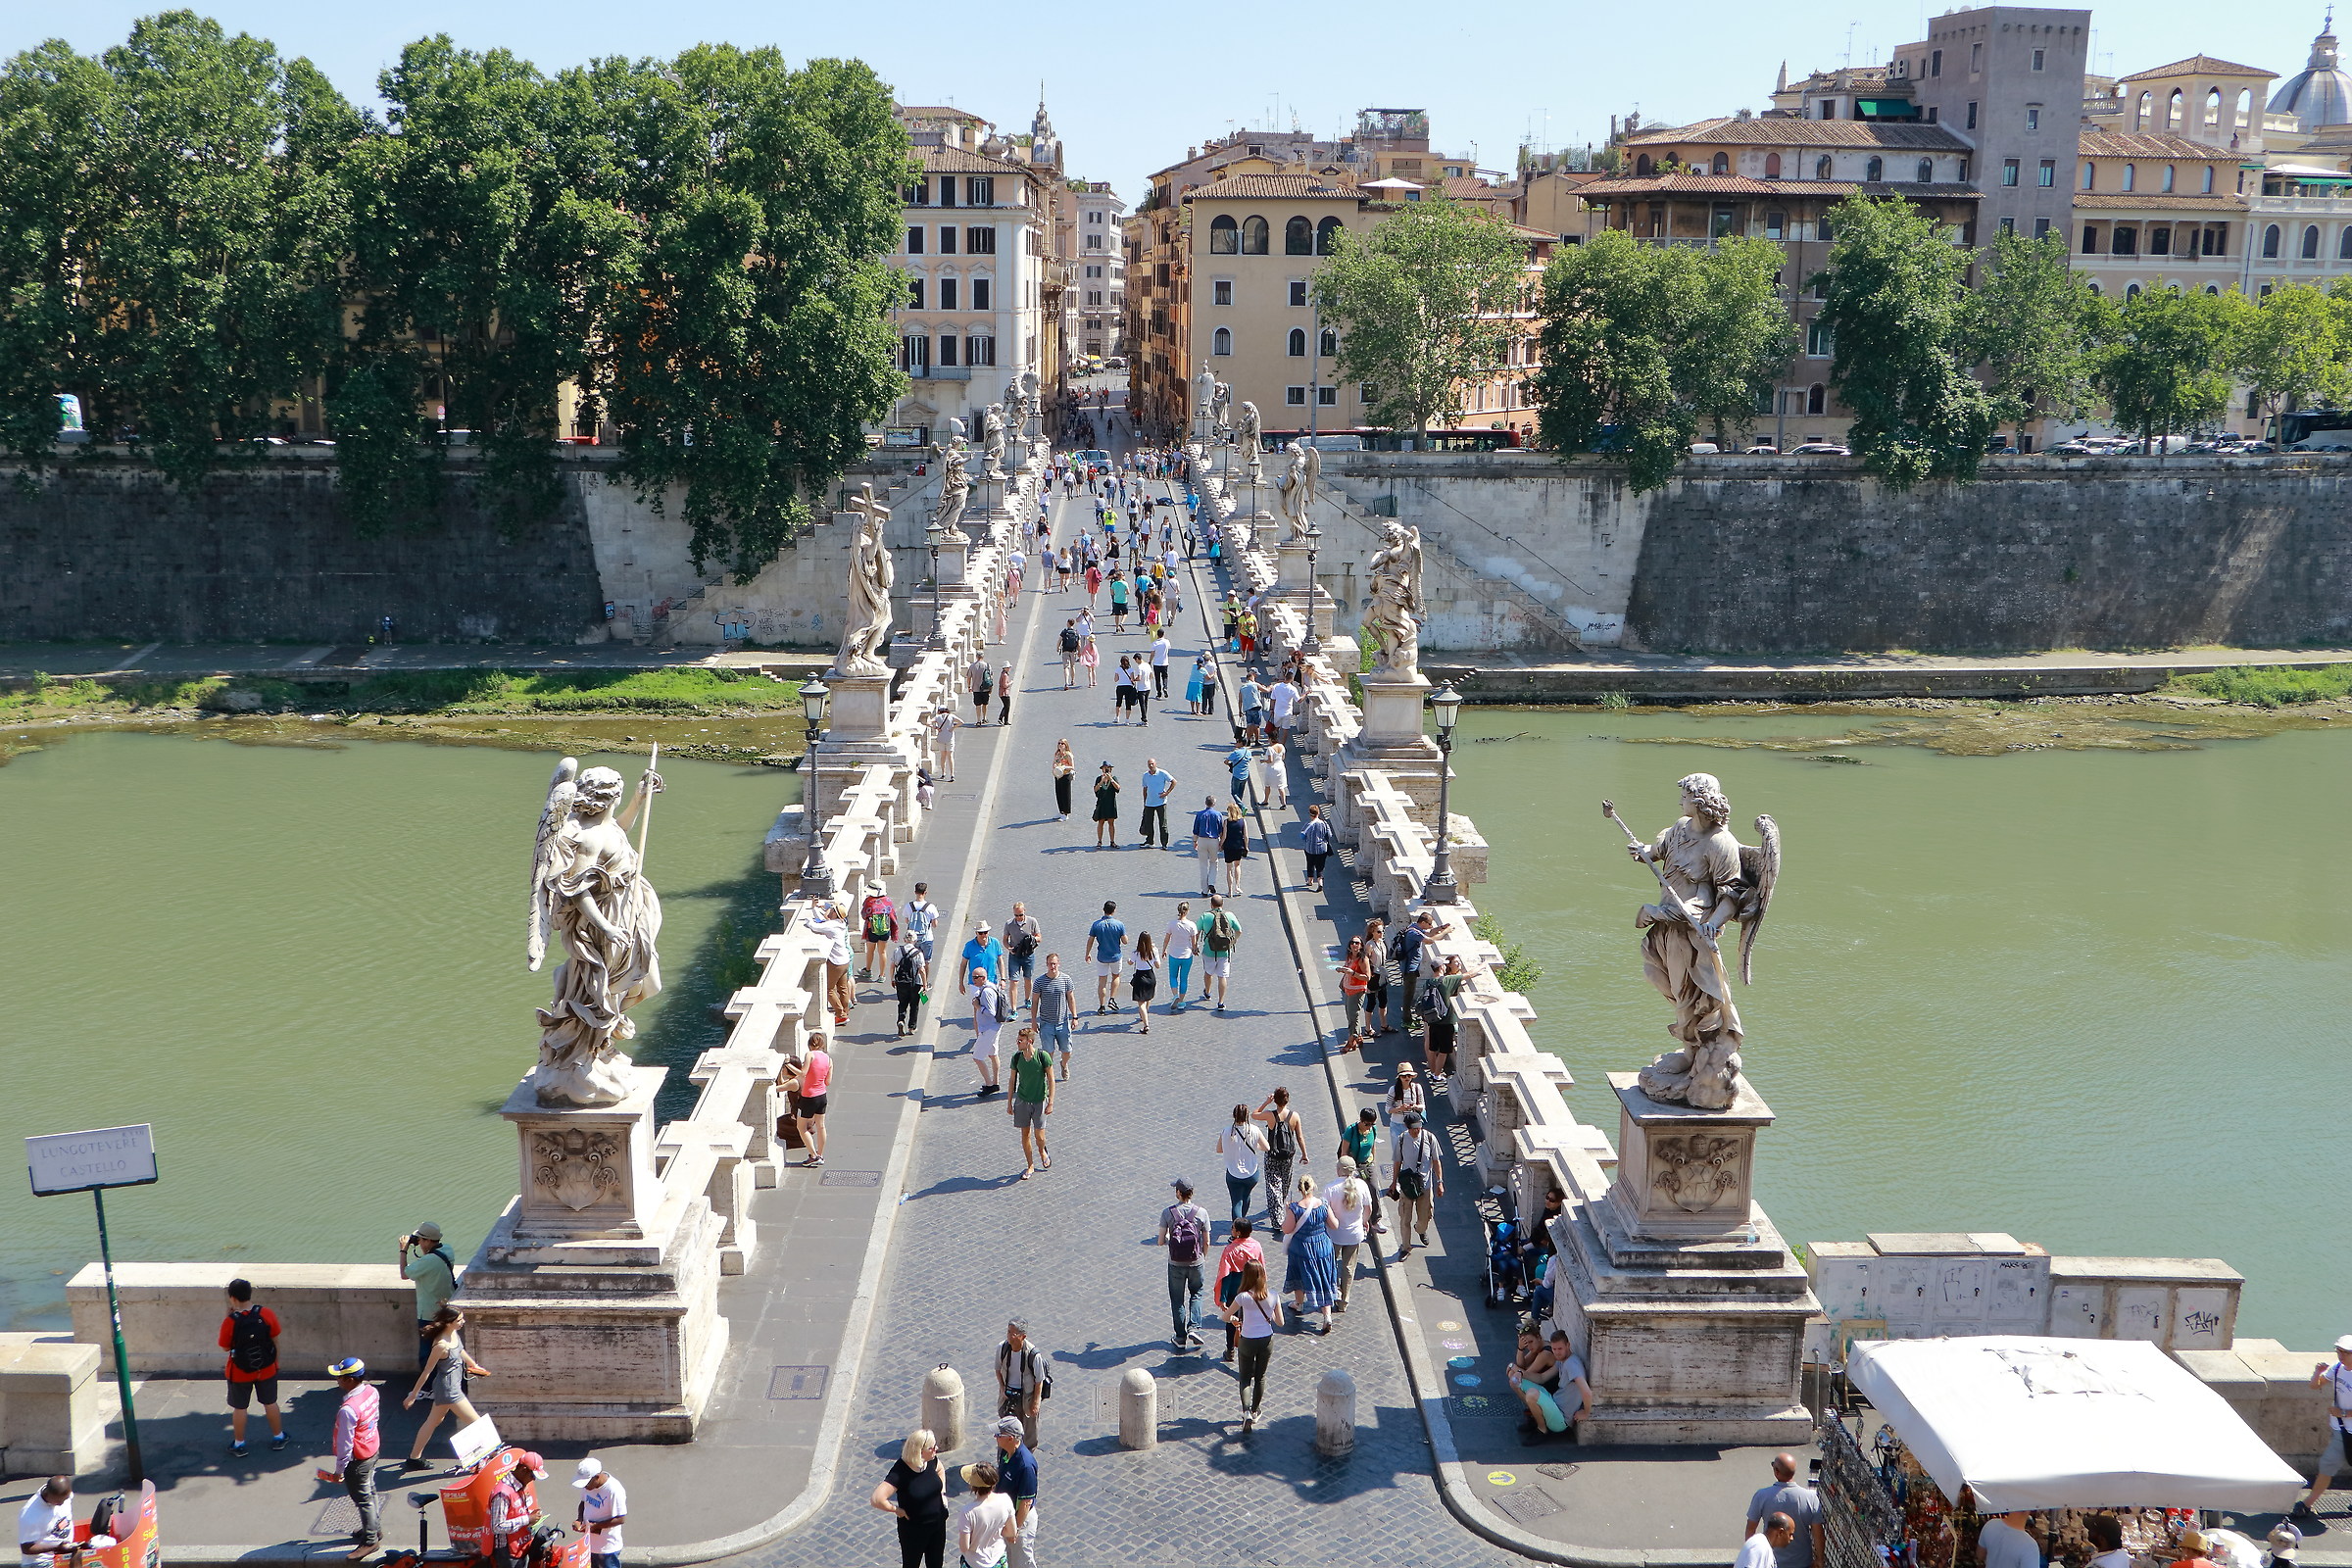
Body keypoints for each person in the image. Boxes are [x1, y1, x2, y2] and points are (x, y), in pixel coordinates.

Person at [402, 1304, 488, 1466]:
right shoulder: (441, 1345)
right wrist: (413, 1395)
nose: (463, 1322)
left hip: (449, 1387)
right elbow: (427, 1371)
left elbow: (460, 1351)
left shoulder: (453, 1333)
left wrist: (474, 1365)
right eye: (459, 1320)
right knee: (477, 1424)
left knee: (433, 1421)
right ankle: (476, 1460)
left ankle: (414, 1458)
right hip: (449, 1390)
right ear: (448, 1323)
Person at [219, 1277, 285, 1454]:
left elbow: (226, 1347)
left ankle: (239, 1444)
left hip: (239, 1371)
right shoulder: (266, 1314)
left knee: (240, 1407)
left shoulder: (231, 1321)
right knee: (270, 1403)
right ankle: (278, 1437)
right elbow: (275, 1340)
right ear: (250, 1294)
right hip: (266, 1368)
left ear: (232, 1298)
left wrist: (228, 1317)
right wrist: (275, 1363)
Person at [325, 1355, 382, 1560]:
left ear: (350, 1380)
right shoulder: (372, 1391)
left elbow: (345, 1445)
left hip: (358, 1459)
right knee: (371, 1490)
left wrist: (339, 1471)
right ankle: (374, 1528)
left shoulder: (347, 1410)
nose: (337, 1381)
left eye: (340, 1377)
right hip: (373, 1448)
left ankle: (370, 1540)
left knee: (363, 1499)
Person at [2293, 1336, 2352, 1525]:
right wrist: (2317, 1372)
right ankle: (2307, 1503)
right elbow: (2315, 1385)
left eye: (2345, 1352)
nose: (2340, 1355)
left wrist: (2342, 1412)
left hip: (2345, 1427)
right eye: (2339, 1351)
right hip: (2341, 1431)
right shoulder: (2337, 1369)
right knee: (2327, 1464)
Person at [1221, 1259, 1284, 1431]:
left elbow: (1225, 1317)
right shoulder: (1274, 1295)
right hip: (1266, 1339)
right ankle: (1255, 1411)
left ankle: (1246, 1411)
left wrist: (1234, 1320)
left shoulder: (1242, 1297)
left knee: (1245, 1378)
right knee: (1261, 1376)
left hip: (1247, 1339)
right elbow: (1280, 1322)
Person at [873, 1431, 949, 1568]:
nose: (936, 1449)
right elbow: (877, 1499)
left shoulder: (931, 1461)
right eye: (931, 1447)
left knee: (936, 1563)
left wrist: (942, 1495)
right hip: (914, 1531)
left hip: (937, 1524)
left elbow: (940, 1469)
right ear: (919, 1451)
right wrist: (896, 1510)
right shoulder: (900, 1472)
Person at [1281, 1173, 1339, 1334]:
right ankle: (1327, 1316)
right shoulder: (1323, 1205)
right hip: (1322, 1247)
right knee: (1324, 1278)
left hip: (1302, 1248)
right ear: (1313, 1187)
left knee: (1299, 1275)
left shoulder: (1295, 1208)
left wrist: (1287, 1211)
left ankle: (1299, 1303)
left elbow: (1286, 1229)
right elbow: (1334, 1225)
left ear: (1300, 1189)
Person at [1159, 1178, 1212, 1350]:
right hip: (1196, 1262)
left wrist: (1169, 1238)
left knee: (1177, 1299)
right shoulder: (1202, 1212)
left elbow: (1161, 1241)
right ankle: (1194, 1328)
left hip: (1175, 1263)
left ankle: (1180, 1337)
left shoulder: (1167, 1213)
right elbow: (1206, 1241)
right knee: (1197, 1293)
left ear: (1178, 1193)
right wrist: (1202, 1257)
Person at [1746, 1452, 1826, 1568]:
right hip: (1802, 1562)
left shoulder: (1761, 1496)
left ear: (1776, 1471)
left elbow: (1750, 1529)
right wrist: (1819, 1559)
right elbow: (1818, 1533)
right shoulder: (1810, 1498)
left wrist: (1752, 1556)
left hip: (1771, 1562)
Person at [399, 1224, 459, 1370]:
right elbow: (430, 1261)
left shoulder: (429, 1261)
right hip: (446, 1309)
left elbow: (404, 1274)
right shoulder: (447, 1250)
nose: (418, 1243)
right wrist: (425, 1248)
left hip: (428, 1313)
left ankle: (427, 1389)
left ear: (427, 1241)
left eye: (420, 1240)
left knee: (427, 1353)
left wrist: (403, 1249)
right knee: (448, 1348)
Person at [1391, 1108, 1444, 1254]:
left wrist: (1440, 1181)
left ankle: (1420, 1230)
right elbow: (1397, 1162)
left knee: (1425, 1218)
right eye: (1414, 1129)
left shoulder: (1430, 1138)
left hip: (1425, 1186)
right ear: (1408, 1128)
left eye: (1419, 1127)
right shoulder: (1401, 1139)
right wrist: (1394, 1182)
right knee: (1404, 1219)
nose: (1417, 1131)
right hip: (1407, 1186)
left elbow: (1436, 1161)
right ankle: (1405, 1247)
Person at [1324, 1158, 1373, 1311]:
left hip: (1334, 1234)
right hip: (1354, 1234)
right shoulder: (1362, 1186)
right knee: (1348, 1268)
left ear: (1339, 1169)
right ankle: (1344, 1301)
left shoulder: (1330, 1188)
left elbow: (1324, 1212)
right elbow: (1369, 1209)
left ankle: (1333, 1293)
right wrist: (1364, 1222)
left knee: (1330, 1266)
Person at [991, 1417, 1041, 1568]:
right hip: (1007, 1517)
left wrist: (1015, 1529)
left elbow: (1026, 1503)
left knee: (1021, 1561)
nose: (995, 1437)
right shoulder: (1005, 1453)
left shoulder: (1025, 1465)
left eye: (999, 1435)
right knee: (1008, 1559)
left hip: (1020, 1519)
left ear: (1010, 1438)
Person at [1007, 1027, 1054, 1178]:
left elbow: (1051, 1080)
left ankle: (1042, 1150)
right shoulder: (1016, 1058)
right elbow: (1012, 1080)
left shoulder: (1042, 1056)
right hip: (1022, 1101)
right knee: (1025, 1134)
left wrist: (1050, 1102)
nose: (1017, 1043)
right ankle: (1030, 1165)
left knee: (1039, 1137)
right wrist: (1009, 1102)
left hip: (1039, 1101)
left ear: (1030, 1042)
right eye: (1017, 1040)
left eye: (1020, 1040)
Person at [1254, 1088, 1303, 1226]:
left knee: (1273, 1185)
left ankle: (1277, 1219)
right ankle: (1279, 1205)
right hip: (1288, 1156)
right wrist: (1304, 1154)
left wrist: (1266, 1102)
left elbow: (1254, 1114)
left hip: (1272, 1155)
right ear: (1288, 1100)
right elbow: (1299, 1137)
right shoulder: (1294, 1116)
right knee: (1284, 1183)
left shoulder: (1270, 1115)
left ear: (1275, 1100)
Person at [994, 1323, 1046, 1447]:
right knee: (1007, 1432)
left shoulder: (1033, 1354)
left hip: (1026, 1398)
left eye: (1014, 1334)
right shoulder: (1002, 1348)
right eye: (1008, 1332)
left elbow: (1039, 1380)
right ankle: (1007, 1458)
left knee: (1028, 1435)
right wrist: (1002, 1389)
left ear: (1023, 1336)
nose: (1009, 1336)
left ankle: (1027, 1456)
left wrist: (1035, 1403)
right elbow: (997, 1370)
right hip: (1008, 1397)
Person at [956, 1462, 1015, 1568]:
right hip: (998, 1558)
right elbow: (1012, 1531)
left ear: (973, 1486)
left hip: (974, 1562)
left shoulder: (967, 1512)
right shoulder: (1005, 1500)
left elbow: (964, 1547)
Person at [570, 1459, 627, 1568]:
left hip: (607, 1548)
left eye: (586, 1483)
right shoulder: (588, 1486)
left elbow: (621, 1518)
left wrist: (595, 1526)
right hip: (589, 1544)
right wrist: (579, 1519)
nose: (585, 1487)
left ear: (597, 1477)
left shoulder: (614, 1490)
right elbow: (583, 1503)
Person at [1216, 1103, 1267, 1226]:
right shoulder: (1254, 1130)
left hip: (1233, 1174)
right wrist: (1255, 1146)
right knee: (1246, 1196)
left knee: (1236, 1202)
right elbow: (1267, 1147)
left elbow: (1219, 1149)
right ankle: (1242, 1221)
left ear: (1234, 1116)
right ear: (1247, 1116)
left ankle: (1238, 1230)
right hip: (1252, 1174)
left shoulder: (1226, 1131)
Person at [1339, 1106, 1387, 1236]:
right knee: (1355, 1194)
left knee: (1374, 1189)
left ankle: (1375, 1220)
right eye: (1367, 1124)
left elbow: (1372, 1146)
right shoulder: (1351, 1131)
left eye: (1372, 1124)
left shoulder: (1373, 1130)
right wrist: (1348, 1170)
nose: (1369, 1127)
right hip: (1354, 1166)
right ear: (1361, 1120)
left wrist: (1373, 1161)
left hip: (1367, 1164)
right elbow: (1344, 1152)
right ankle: (1357, 1222)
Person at [1029, 954, 1077, 1080]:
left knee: (1067, 1051)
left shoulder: (1066, 979)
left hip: (1063, 1022)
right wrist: (1033, 1021)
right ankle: (1049, 1075)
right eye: (1050, 963)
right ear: (1046, 965)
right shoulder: (1039, 981)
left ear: (1059, 963)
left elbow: (1071, 998)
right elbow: (1035, 1002)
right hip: (1046, 1023)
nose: (1053, 966)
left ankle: (1064, 1064)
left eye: (1055, 963)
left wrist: (1075, 1017)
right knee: (1048, 1052)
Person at [1423, 954, 1468, 1085]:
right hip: (1445, 1020)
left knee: (1432, 1048)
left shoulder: (1428, 981)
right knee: (1443, 1051)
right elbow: (1468, 975)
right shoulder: (1446, 981)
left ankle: (1433, 1071)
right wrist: (1483, 965)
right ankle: (1437, 1075)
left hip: (1432, 1019)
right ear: (1442, 967)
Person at [810, 898, 855, 1026]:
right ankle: (845, 1013)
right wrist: (815, 907)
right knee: (843, 989)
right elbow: (824, 921)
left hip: (836, 962)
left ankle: (841, 1015)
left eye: (832, 910)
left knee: (829, 989)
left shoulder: (832, 925)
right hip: (845, 960)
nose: (829, 911)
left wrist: (808, 921)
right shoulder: (840, 923)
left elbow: (815, 926)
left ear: (835, 914)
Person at [794, 1034, 833, 1166]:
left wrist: (788, 1065)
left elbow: (803, 1073)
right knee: (821, 1126)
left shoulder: (810, 1055)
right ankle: (820, 1154)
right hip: (822, 1096)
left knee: (801, 1127)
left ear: (810, 1044)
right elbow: (828, 1081)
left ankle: (813, 1155)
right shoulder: (828, 1059)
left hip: (808, 1097)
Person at [17, 1478, 74, 1566]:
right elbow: (26, 1548)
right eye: (58, 1501)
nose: (61, 1504)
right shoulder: (30, 1515)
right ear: (47, 1494)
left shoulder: (64, 1494)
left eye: (65, 1499)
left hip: (63, 1555)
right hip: (41, 1562)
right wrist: (57, 1547)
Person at [1198, 893, 1242, 1010]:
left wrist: (1194, 946)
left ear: (1211, 904)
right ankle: (1221, 1002)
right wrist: (1233, 941)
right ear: (1222, 904)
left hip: (1209, 950)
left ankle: (1207, 992)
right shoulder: (1230, 915)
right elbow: (1239, 930)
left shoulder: (1205, 916)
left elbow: (1196, 932)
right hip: (1225, 951)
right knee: (1222, 976)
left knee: (1208, 973)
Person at [969, 971, 1007, 1097]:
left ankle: (989, 1084)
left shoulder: (986, 992)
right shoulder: (991, 986)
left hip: (989, 1028)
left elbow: (991, 1012)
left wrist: (978, 1006)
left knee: (977, 1057)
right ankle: (995, 1082)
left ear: (983, 978)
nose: (973, 979)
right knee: (993, 1054)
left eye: (976, 977)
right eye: (972, 977)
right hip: (995, 1026)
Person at [1088, 899, 1127, 1014]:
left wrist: (1087, 953)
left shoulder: (1096, 925)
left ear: (1103, 910)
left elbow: (1090, 940)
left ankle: (1101, 1006)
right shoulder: (1119, 924)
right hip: (1115, 956)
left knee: (1102, 981)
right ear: (1114, 911)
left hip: (1102, 957)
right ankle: (1112, 999)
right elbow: (1125, 941)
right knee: (1116, 976)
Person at [1334, 934, 1371, 1050]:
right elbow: (1347, 968)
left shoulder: (1363, 959)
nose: (1354, 945)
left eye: (1357, 943)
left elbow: (1367, 977)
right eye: (1352, 943)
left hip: (1358, 990)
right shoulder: (1350, 956)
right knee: (1350, 1015)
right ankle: (1358, 1036)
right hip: (1348, 989)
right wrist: (1342, 970)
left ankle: (1351, 1040)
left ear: (1361, 946)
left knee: (1353, 1015)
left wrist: (1353, 973)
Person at [1002, 902, 1042, 1009]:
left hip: (1028, 955)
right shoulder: (1009, 924)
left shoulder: (1032, 921)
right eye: (1016, 915)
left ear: (1024, 911)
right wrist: (1009, 948)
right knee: (1014, 981)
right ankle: (1014, 1009)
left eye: (1020, 915)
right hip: (1015, 956)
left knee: (1028, 978)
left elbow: (1039, 937)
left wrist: (1031, 939)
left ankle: (1027, 999)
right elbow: (1005, 940)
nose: (1018, 917)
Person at [858, 880, 899, 983]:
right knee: (882, 952)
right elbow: (893, 916)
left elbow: (864, 915)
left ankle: (868, 970)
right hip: (885, 930)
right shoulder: (888, 901)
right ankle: (882, 975)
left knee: (870, 951)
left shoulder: (869, 901)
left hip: (872, 930)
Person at [1162, 902, 1198, 1013]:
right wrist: (1195, 950)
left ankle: (1175, 995)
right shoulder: (1192, 925)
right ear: (1187, 911)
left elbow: (1167, 939)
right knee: (1184, 978)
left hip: (1174, 954)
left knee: (1173, 976)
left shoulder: (1172, 924)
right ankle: (1181, 1002)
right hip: (1187, 955)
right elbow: (1194, 942)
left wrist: (1164, 950)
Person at [892, 933, 928, 1038]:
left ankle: (901, 1020)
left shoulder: (897, 950)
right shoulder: (918, 953)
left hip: (901, 982)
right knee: (914, 1005)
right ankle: (912, 1027)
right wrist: (925, 984)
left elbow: (892, 965)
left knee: (902, 1003)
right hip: (915, 982)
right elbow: (922, 970)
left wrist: (892, 979)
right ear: (915, 941)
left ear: (904, 939)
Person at [1361, 916, 1392, 1034]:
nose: (1381, 933)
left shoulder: (1382, 943)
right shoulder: (1370, 945)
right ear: (1372, 932)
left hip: (1382, 975)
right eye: (1379, 931)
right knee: (1371, 1002)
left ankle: (1384, 1025)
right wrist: (1369, 975)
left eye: (1382, 931)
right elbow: (1365, 961)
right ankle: (1368, 1028)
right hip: (1374, 976)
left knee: (1383, 1001)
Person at [1138, 758, 1175, 848]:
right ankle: (1150, 841)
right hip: (1149, 803)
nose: (1151, 766)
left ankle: (1164, 844)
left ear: (1155, 764)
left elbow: (1174, 781)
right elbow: (1145, 788)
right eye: (1149, 764)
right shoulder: (1145, 775)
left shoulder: (1162, 773)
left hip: (1161, 803)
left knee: (1163, 824)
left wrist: (1167, 793)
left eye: (1152, 764)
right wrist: (1145, 801)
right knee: (1148, 823)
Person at [1190, 797, 1224, 896]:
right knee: (1214, 862)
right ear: (1214, 803)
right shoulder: (1218, 814)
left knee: (1203, 865)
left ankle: (1205, 890)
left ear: (1206, 803)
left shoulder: (1200, 814)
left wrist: (1195, 841)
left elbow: (1195, 829)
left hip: (1202, 840)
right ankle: (1211, 882)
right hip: (1214, 840)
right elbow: (1221, 830)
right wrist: (1221, 843)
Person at [903, 882, 942, 969]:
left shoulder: (909, 906)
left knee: (913, 959)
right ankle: (925, 982)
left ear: (915, 892)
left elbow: (907, 921)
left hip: (912, 938)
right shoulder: (931, 907)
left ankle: (914, 980)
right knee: (926, 961)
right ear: (925, 892)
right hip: (927, 938)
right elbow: (935, 925)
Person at [1219, 800, 1250, 896]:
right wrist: (1246, 846)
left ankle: (1230, 891)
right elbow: (1246, 836)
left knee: (1229, 869)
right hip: (1239, 845)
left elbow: (1224, 836)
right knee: (1237, 865)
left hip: (1228, 846)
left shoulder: (1226, 822)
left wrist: (1220, 844)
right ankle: (1237, 886)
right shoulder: (1243, 821)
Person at [1091, 762, 1121, 848]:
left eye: (1108, 768)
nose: (1106, 770)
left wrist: (1111, 779)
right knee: (1101, 822)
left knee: (1111, 823)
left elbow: (1118, 788)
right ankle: (1099, 841)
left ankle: (1112, 841)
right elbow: (1095, 789)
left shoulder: (1113, 778)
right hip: (1102, 804)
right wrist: (1101, 781)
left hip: (1111, 803)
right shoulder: (1098, 779)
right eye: (1104, 768)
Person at [929, 705, 961, 782]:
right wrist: (953, 728)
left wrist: (936, 728)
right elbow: (961, 722)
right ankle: (952, 774)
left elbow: (928, 722)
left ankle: (943, 773)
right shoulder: (951, 716)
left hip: (941, 738)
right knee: (950, 756)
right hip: (949, 737)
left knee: (942, 756)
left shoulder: (937, 717)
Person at [1050, 739, 1075, 820]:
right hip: (1058, 775)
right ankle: (1061, 811)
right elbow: (1054, 762)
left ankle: (1066, 813)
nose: (1060, 745)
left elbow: (1072, 767)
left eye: (1062, 743)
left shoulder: (1068, 755)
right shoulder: (1057, 754)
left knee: (1065, 794)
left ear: (1066, 745)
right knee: (1058, 793)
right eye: (1059, 743)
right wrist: (1054, 766)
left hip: (1065, 775)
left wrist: (1064, 767)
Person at [1259, 739, 1287, 808]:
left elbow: (1270, 760)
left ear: (1271, 739)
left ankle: (1265, 800)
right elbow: (1283, 757)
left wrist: (1263, 761)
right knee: (1281, 786)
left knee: (1267, 785)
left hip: (1272, 769)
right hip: (1281, 767)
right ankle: (1283, 803)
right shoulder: (1281, 746)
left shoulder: (1270, 749)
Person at [1225, 743, 1253, 807]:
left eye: (1237, 742)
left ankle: (1242, 806)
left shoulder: (1236, 753)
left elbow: (1226, 761)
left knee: (1234, 793)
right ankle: (1239, 808)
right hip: (1245, 775)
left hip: (1237, 775)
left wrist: (1230, 765)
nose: (1236, 743)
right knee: (1240, 793)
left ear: (1240, 743)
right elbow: (1249, 760)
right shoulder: (1248, 752)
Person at [967, 653, 993, 724]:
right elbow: (990, 677)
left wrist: (969, 686)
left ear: (976, 657)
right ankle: (984, 718)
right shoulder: (987, 665)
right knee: (985, 704)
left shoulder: (972, 666)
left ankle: (978, 720)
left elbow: (969, 677)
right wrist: (990, 688)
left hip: (976, 688)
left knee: (978, 705)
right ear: (983, 656)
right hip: (985, 688)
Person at [1057, 621, 1081, 689]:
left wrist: (1058, 647)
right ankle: (1073, 680)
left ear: (1068, 623)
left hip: (1065, 650)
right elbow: (1078, 644)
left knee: (1066, 667)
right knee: (1073, 666)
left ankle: (1066, 683)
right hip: (1073, 651)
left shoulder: (1064, 632)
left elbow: (1059, 640)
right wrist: (1079, 652)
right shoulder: (1076, 633)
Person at [1150, 632, 1172, 698]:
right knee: (1165, 677)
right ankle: (1165, 687)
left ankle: (1159, 693)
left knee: (1157, 679)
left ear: (1157, 635)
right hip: (1165, 663)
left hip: (1156, 663)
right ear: (1163, 634)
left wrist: (1150, 661)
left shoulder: (1155, 643)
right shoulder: (1166, 642)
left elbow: (1152, 653)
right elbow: (1169, 648)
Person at [996, 661, 1013, 726]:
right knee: (1007, 707)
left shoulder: (1002, 673)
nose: (1009, 669)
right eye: (1008, 667)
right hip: (1004, 693)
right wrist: (1011, 683)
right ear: (1005, 668)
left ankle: (1002, 719)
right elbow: (1005, 685)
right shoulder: (1005, 675)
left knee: (1006, 706)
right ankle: (1004, 720)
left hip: (1002, 693)